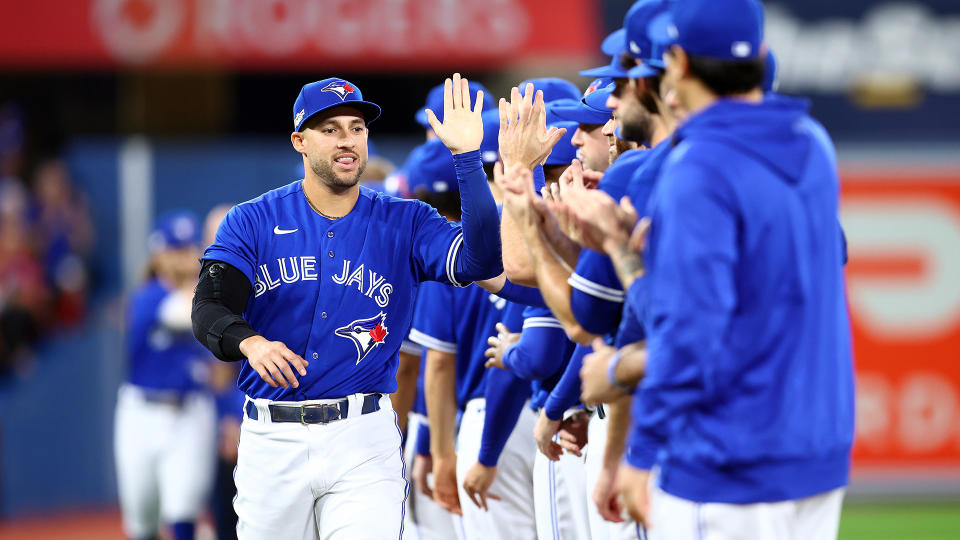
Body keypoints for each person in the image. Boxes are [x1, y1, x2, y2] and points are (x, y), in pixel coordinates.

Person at [580, 0, 854, 537]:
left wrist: (638, 444)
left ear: (678, 63)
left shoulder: (699, 167)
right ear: (762, 55)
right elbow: (749, 314)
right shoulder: (812, 144)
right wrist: (627, 253)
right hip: (817, 457)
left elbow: (693, 335)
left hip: (728, 460)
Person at [191, 74, 502, 539]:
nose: (347, 140)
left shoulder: (406, 220)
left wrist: (467, 160)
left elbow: (482, 260)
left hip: (362, 437)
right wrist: (250, 342)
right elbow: (210, 307)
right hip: (273, 438)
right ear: (300, 140)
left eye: (357, 127)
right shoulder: (253, 220)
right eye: (330, 128)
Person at [114, 210, 216, 540]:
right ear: (158, 255)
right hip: (141, 413)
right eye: (177, 250)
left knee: (183, 513)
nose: (186, 258)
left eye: (191, 249)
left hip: (190, 413)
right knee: (142, 520)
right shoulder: (147, 297)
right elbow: (186, 313)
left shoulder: (201, 294)